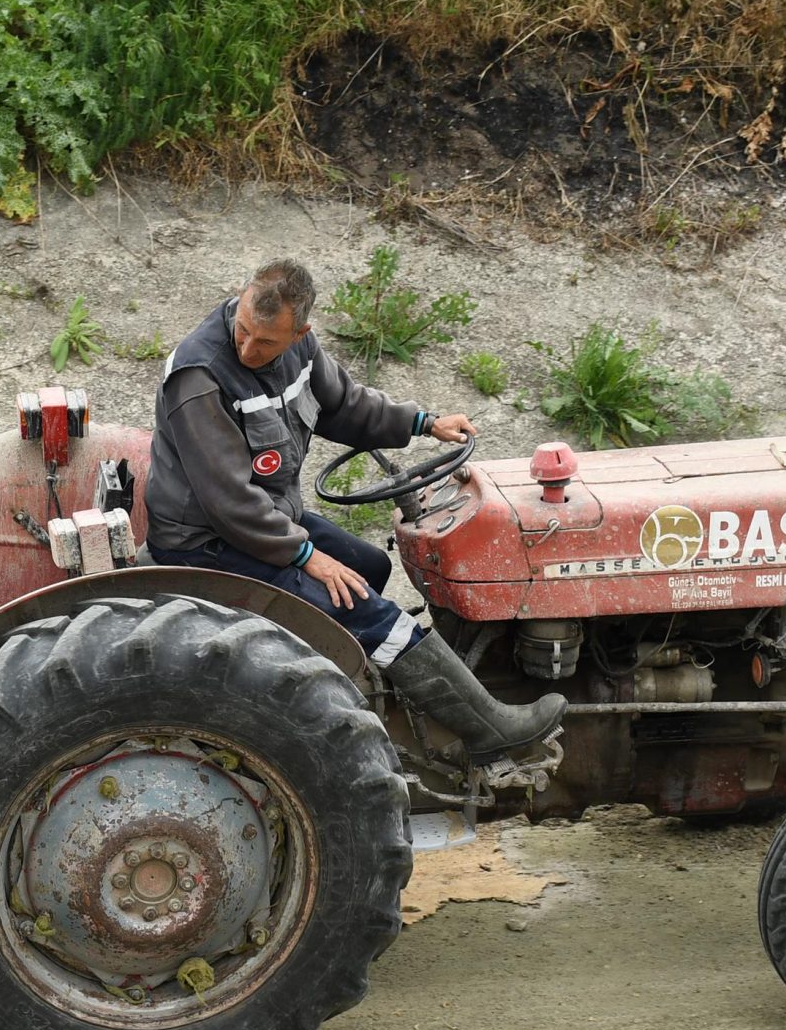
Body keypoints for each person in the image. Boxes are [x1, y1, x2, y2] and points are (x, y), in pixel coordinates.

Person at [145, 257, 565, 763]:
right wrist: (306, 557)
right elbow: (228, 501)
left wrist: (423, 423)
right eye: (243, 332)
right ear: (241, 299)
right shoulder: (199, 377)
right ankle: (488, 732)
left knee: (370, 565)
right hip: (207, 541)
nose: (248, 348)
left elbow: (344, 405)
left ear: (301, 331)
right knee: (362, 604)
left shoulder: (300, 351)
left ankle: (367, 694)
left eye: (266, 343)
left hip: (268, 518)